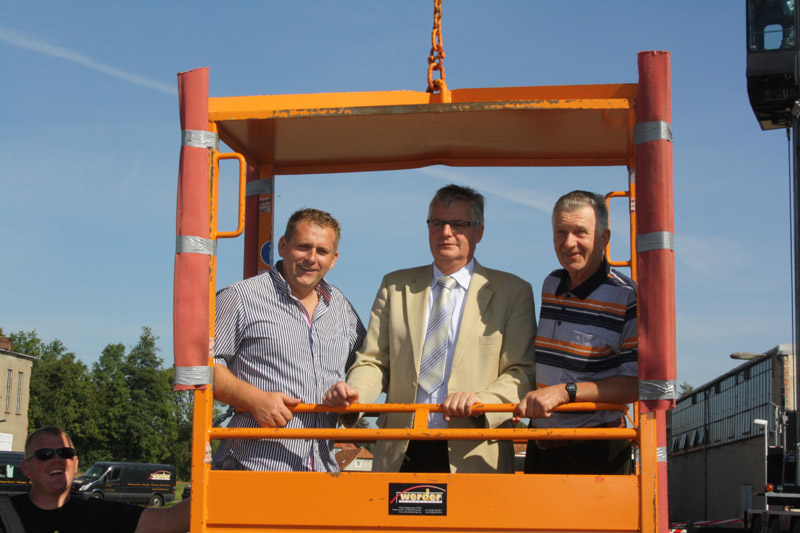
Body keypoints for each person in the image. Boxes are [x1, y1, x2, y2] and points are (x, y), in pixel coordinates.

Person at [324, 184, 536, 473]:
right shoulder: (394, 286)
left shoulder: (513, 292)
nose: (446, 232)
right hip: (400, 450)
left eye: (458, 224)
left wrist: (481, 402)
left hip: (474, 451)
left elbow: (521, 372)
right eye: (437, 223)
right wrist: (355, 395)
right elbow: (373, 361)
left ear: (479, 232)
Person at [213, 208, 366, 472]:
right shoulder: (240, 297)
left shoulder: (342, 307)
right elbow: (204, 366)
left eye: (322, 251)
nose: (311, 258)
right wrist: (255, 399)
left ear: (333, 259)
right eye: (303, 247)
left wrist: (349, 393)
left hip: (322, 469)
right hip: (253, 465)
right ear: (283, 246)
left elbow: (366, 365)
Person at [517, 190, 638, 475]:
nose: (569, 243)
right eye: (561, 232)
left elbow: (635, 384)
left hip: (596, 449)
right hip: (541, 443)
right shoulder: (551, 284)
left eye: (580, 232)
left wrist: (565, 393)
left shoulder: (627, 296)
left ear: (604, 238)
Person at [9, 426, 190, 533]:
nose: (57, 459)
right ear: (26, 468)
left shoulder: (98, 514)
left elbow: (170, 521)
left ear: (76, 464)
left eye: (65, 453)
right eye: (45, 454)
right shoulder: (6, 513)